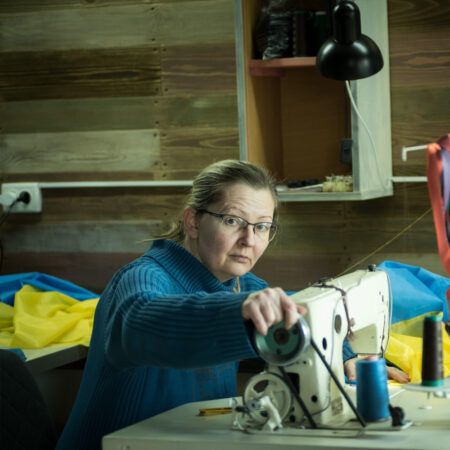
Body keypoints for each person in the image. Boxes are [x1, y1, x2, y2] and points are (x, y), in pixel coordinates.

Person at [56, 160, 406, 450]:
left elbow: (292, 319)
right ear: (193, 221)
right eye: (233, 221)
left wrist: (347, 357)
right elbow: (142, 324)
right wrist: (240, 311)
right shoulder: (141, 278)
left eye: (262, 226)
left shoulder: (238, 284)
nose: (249, 240)